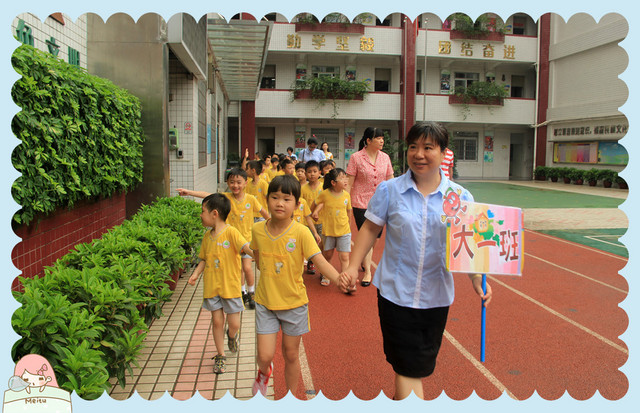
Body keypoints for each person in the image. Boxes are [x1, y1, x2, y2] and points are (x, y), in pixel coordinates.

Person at [342, 121, 493, 400]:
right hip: (395, 294)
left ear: (444, 152)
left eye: (427, 148)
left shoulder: (460, 198)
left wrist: (476, 279)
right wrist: (352, 267)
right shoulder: (390, 191)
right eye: (413, 147)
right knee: (407, 368)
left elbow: (471, 245)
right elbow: (370, 229)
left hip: (435, 298)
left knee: (418, 368)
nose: (419, 154)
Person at [250, 175, 347, 397]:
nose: (280, 203)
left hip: (294, 304)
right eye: (275, 197)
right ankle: (264, 373)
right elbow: (257, 258)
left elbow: (320, 261)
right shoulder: (257, 230)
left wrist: (338, 278)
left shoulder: (301, 232)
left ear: (297, 204)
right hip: (266, 302)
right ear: (267, 200)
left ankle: (291, 397)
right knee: (264, 356)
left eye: (286, 199)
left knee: (291, 355)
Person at [177, 168, 270, 309]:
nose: (235, 185)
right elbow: (207, 195)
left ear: (246, 183)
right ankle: (242, 291)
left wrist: (273, 225)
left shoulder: (251, 199)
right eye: (231, 182)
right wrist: (189, 192)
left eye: (239, 182)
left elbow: (264, 213)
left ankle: (251, 292)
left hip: (246, 241)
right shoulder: (225, 198)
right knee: (237, 269)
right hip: (230, 242)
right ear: (227, 182)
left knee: (247, 267)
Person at [187, 193, 254, 374]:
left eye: (203, 211)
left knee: (234, 324)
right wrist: (194, 275)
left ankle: (232, 336)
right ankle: (220, 354)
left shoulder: (231, 232)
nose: (201, 215)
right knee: (217, 321)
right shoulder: (206, 237)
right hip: (212, 287)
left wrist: (258, 254)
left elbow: (244, 248)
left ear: (214, 213)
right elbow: (203, 259)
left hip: (230, 288)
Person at [346, 127, 394, 286]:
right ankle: (367, 272)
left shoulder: (385, 158)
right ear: (368, 140)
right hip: (360, 202)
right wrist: (345, 203)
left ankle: (363, 258)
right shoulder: (356, 158)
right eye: (378, 138)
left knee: (375, 239)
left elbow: (390, 180)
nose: (382, 141)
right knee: (367, 235)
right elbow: (349, 183)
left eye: (382, 138)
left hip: (381, 203)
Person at [312, 168, 352, 289]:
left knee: (344, 257)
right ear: (333, 183)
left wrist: (349, 225)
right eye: (342, 178)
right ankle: (326, 275)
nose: (345, 180)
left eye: (346, 177)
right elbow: (314, 204)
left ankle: (345, 279)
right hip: (329, 231)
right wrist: (313, 213)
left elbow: (349, 211)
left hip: (344, 231)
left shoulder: (346, 195)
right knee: (327, 255)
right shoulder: (325, 194)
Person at [300, 160, 324, 274]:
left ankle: (323, 269)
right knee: (309, 244)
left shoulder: (323, 187)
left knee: (321, 244)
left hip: (322, 221)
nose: (312, 174)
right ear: (305, 174)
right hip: (307, 223)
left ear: (320, 172)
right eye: (309, 172)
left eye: (315, 171)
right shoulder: (303, 189)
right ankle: (310, 261)